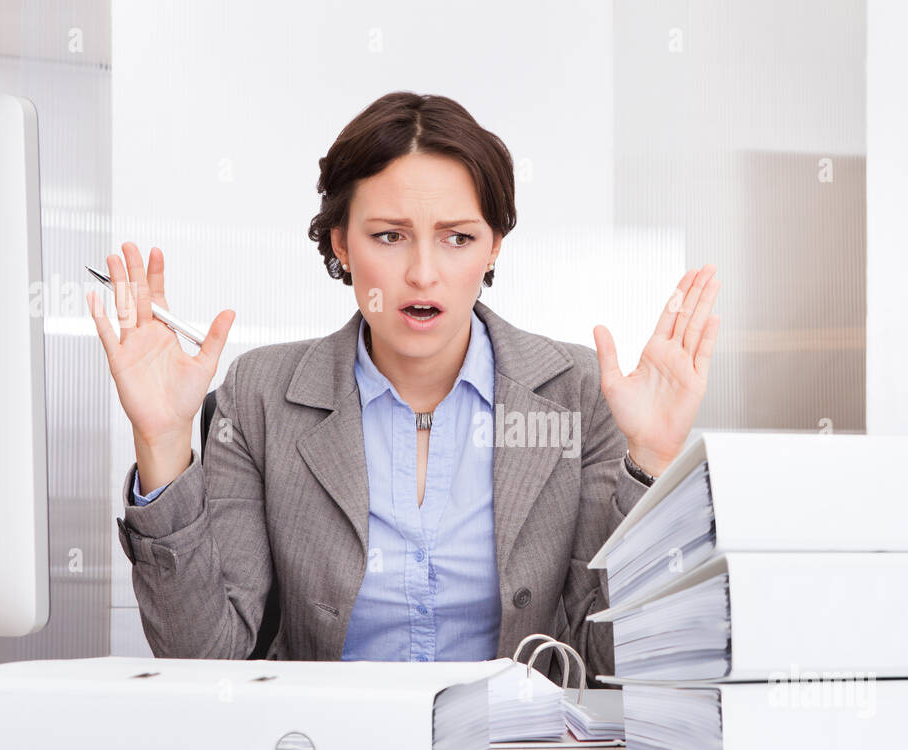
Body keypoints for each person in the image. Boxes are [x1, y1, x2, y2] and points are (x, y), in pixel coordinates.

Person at [90, 91, 720, 681]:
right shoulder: (259, 394)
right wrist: (164, 440)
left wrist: (655, 466)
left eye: (458, 238)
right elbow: (204, 660)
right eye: (389, 236)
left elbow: (612, 664)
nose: (423, 273)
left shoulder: (580, 393)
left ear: (493, 248)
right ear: (341, 243)